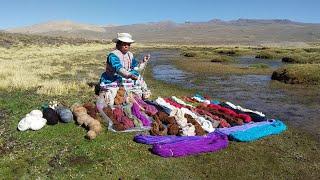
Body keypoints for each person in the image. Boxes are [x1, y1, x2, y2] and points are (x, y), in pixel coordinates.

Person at [98, 33, 151, 101]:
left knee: (139, 78)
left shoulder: (130, 55)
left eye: (128, 44)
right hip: (113, 78)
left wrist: (143, 61)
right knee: (111, 94)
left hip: (126, 77)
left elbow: (135, 67)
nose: (126, 46)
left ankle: (141, 95)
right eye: (124, 44)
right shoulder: (113, 55)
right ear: (118, 44)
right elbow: (118, 68)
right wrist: (129, 75)